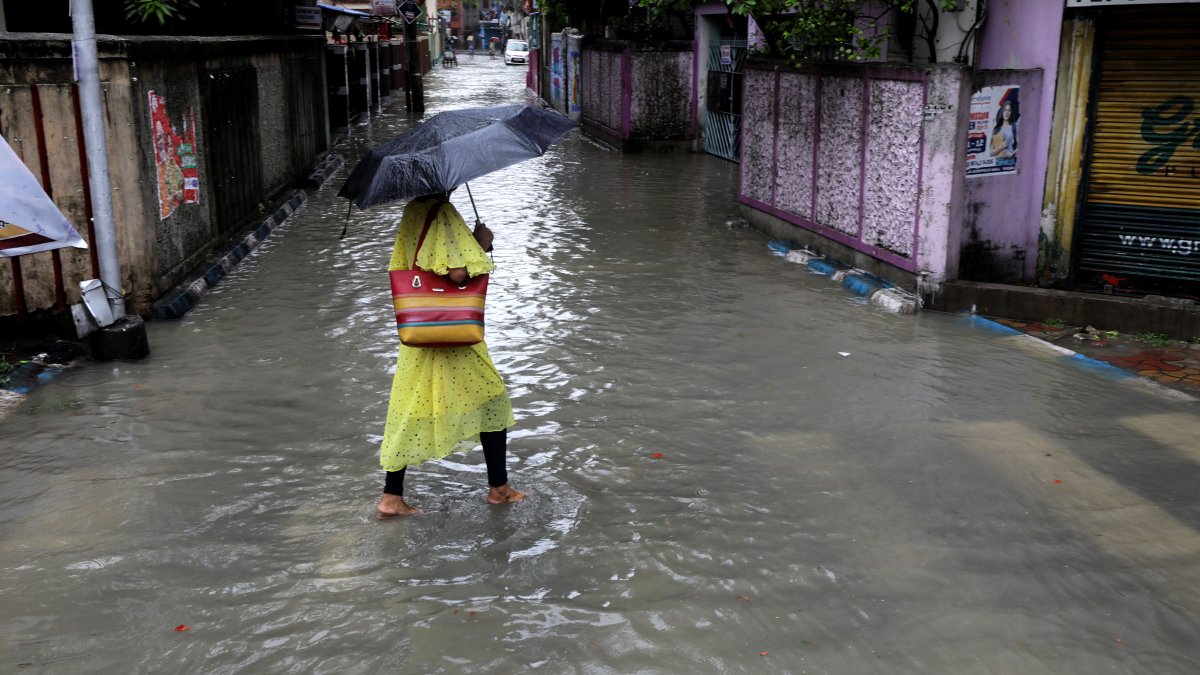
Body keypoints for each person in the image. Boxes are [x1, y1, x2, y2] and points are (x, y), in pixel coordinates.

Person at [376, 192, 525, 518]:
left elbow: (415, 262)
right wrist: (481, 243)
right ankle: (498, 489)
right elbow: (457, 272)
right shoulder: (442, 212)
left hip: (420, 332)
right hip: (451, 333)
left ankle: (392, 496)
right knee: (493, 400)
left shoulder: (413, 210)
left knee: (410, 408)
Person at [989, 98, 1019, 163]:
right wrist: (1002, 147)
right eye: (1005, 110)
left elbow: (1020, 146)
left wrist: (1012, 154)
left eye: (1009, 110)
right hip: (999, 163)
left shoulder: (1014, 127)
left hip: (1010, 162)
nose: (1007, 113)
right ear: (1002, 112)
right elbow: (991, 153)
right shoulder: (997, 129)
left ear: (1011, 112)